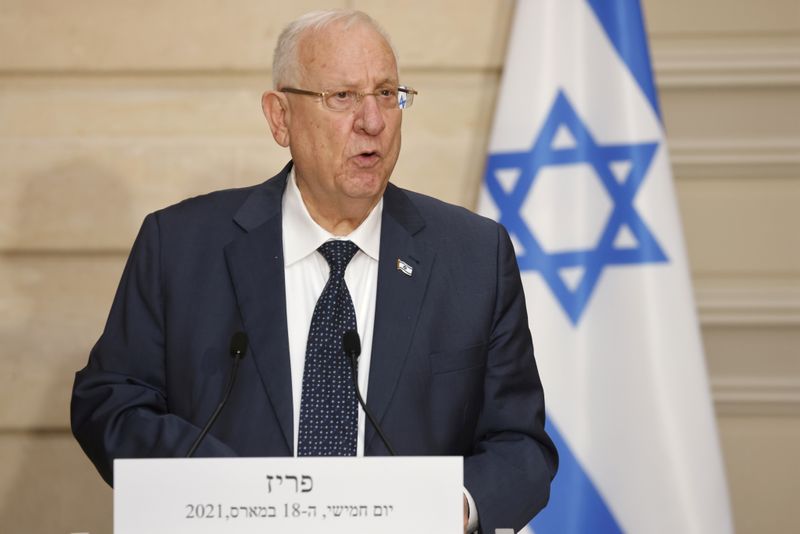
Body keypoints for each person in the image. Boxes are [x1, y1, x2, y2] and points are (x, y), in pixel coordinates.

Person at [71, 9, 557, 533]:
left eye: (387, 93)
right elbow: (111, 403)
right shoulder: (181, 246)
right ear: (280, 118)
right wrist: (224, 493)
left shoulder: (474, 256)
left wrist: (454, 505)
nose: (372, 120)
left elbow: (520, 445)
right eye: (342, 97)